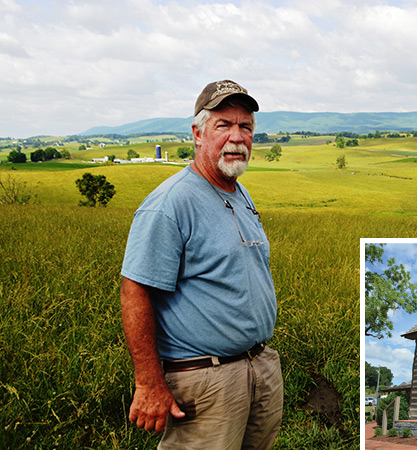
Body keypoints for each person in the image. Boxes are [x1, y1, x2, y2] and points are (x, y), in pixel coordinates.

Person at [120, 80, 283, 449]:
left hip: (259, 367)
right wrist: (148, 384)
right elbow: (135, 291)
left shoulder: (239, 191)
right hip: (205, 380)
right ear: (197, 133)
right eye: (223, 125)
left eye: (246, 127)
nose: (237, 137)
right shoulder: (171, 204)